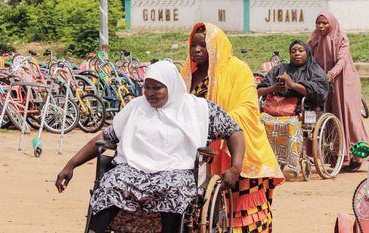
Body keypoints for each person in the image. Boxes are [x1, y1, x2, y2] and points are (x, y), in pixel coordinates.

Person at [55, 61, 245, 233]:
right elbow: (105, 136)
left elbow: (234, 132)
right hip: (133, 168)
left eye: (157, 88)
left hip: (177, 169)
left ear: (171, 86)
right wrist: (70, 165)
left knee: (175, 189)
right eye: (147, 87)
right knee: (111, 183)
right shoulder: (136, 107)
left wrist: (236, 167)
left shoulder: (200, 109)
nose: (150, 93)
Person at [181, 22, 284, 233]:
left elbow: (247, 108)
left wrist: (217, 125)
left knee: (246, 212)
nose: (197, 50)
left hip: (237, 149)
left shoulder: (237, 69)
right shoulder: (188, 76)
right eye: (194, 45)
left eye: (204, 45)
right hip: (199, 148)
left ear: (216, 46)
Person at [308, 11, 369, 172]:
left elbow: (342, 60)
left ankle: (357, 157)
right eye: (318, 23)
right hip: (322, 81)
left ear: (332, 23)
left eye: (324, 23)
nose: (321, 26)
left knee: (347, 118)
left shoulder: (341, 38)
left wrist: (331, 73)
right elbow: (307, 57)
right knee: (326, 116)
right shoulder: (314, 38)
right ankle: (335, 156)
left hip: (344, 82)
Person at [257, 40, 329, 174]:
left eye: (300, 51)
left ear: (307, 53)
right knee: (259, 122)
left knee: (291, 124)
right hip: (275, 110)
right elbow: (258, 91)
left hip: (303, 110)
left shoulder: (314, 71)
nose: (296, 54)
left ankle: (291, 160)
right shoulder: (280, 69)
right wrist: (273, 88)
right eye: (293, 51)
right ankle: (268, 160)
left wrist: (293, 85)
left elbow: (319, 93)